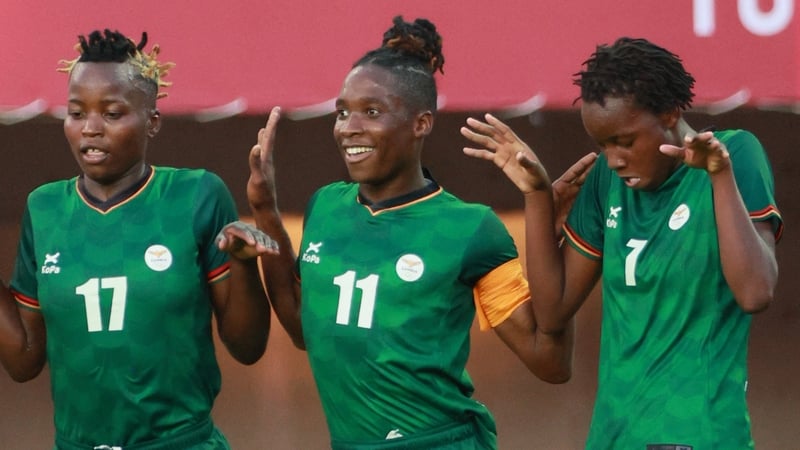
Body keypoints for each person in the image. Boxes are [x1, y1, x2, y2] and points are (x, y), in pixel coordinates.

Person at [239, 15, 596, 450]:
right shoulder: (326, 206)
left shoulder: (470, 229)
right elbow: (301, 331)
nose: (349, 127)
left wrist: (543, 223)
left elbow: (551, 362)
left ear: (421, 123)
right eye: (342, 112)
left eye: (371, 112)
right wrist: (264, 208)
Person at [461, 37, 783, 449]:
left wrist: (719, 175)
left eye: (625, 142)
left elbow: (756, 292)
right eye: (603, 145)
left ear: (670, 113)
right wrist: (538, 197)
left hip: (700, 434)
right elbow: (553, 312)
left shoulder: (737, 152)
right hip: (612, 436)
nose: (614, 159)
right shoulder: (605, 182)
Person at [0, 29, 278, 449]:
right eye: (77, 113)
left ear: (152, 122)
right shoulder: (44, 208)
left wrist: (242, 263)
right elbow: (23, 360)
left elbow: (247, 346)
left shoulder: (196, 195)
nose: (90, 129)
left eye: (112, 113)